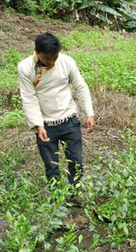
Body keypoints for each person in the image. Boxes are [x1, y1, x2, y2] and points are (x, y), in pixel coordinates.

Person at [18, 32, 95, 187]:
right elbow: (29, 99)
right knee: (52, 166)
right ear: (37, 52)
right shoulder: (25, 68)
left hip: (69, 121)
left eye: (55, 57)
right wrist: (38, 125)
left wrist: (89, 113)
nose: (52, 62)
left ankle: (75, 193)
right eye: (47, 59)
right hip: (46, 125)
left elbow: (80, 87)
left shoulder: (66, 61)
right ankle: (56, 200)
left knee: (76, 162)